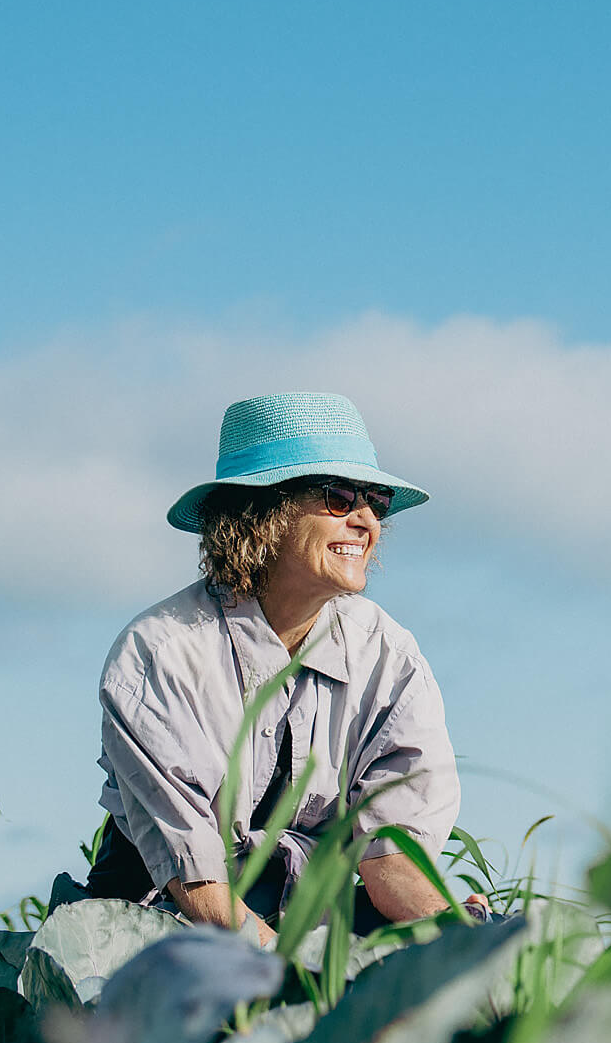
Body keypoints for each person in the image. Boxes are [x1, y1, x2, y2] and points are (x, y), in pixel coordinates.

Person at [86, 392, 462, 945]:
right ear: (260, 514)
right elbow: (197, 883)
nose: (366, 521)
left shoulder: (390, 656)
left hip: (311, 919)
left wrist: (461, 941)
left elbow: (392, 864)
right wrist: (294, 980)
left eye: (376, 501)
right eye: (338, 498)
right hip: (163, 925)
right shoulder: (158, 655)